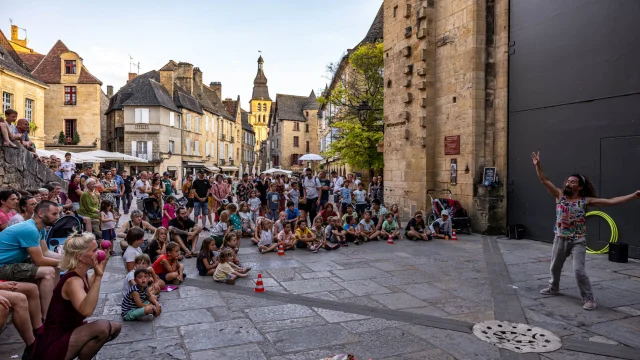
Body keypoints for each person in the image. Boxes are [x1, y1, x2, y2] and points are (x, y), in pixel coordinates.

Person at [531, 151, 640, 310]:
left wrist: (633, 196)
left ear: (580, 186)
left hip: (578, 240)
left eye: (573, 182)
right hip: (560, 238)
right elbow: (544, 180)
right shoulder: (559, 195)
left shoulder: (585, 201)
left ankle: (589, 298)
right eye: (568, 181)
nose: (568, 183)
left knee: (579, 271)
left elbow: (611, 202)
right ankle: (553, 288)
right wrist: (538, 165)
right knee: (554, 268)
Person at [32, 232, 121, 359]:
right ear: (80, 256)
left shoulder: (80, 274)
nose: (98, 253)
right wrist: (99, 278)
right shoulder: (72, 281)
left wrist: (103, 263)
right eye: (94, 250)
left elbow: (89, 287)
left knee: (115, 327)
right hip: (55, 341)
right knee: (102, 327)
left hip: (70, 330)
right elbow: (87, 310)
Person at [0, 200, 59, 319]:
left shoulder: (40, 228)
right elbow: (40, 261)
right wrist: (68, 262)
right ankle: (48, 317)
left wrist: (69, 258)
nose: (57, 217)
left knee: (56, 267)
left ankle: (54, 304)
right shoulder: (29, 229)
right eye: (54, 214)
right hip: (2, 266)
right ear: (41, 214)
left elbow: (46, 252)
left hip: (13, 262)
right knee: (48, 272)